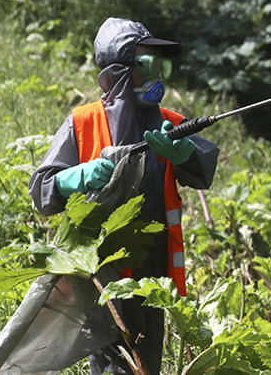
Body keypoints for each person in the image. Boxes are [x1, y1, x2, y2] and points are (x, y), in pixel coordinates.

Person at [29, 18, 220, 375]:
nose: (158, 77)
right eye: (148, 66)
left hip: (154, 276)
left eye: (162, 67)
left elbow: (204, 168)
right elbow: (42, 192)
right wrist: (79, 176)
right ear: (118, 71)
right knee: (115, 365)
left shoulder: (170, 121)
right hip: (103, 275)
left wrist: (184, 153)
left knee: (148, 364)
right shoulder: (82, 123)